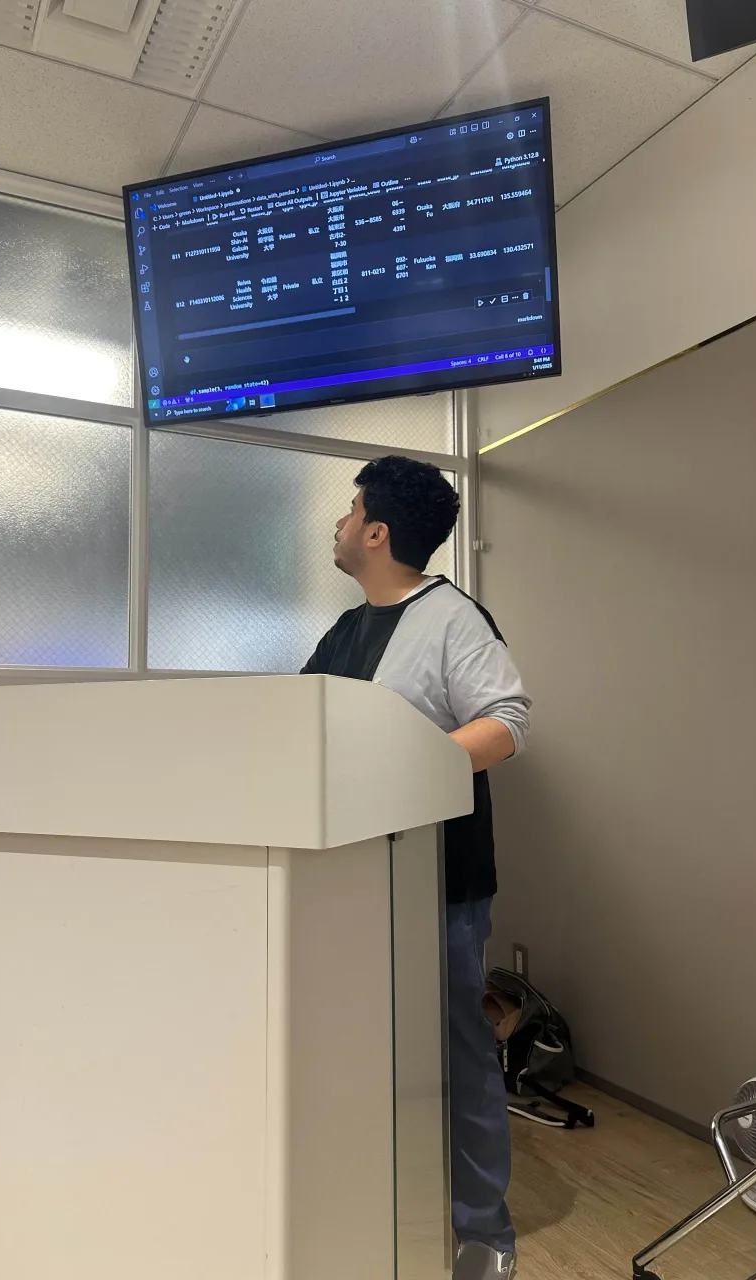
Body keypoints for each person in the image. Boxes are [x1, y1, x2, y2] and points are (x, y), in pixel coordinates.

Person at [301, 454, 530, 1280]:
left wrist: (409, 766)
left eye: (349, 510)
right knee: (355, 1045)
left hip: (440, 883)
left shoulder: (452, 617)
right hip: (350, 878)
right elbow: (304, 721)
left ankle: (485, 1232)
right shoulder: (345, 628)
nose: (338, 523)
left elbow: (505, 722)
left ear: (377, 531)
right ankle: (368, 1201)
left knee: (459, 1049)